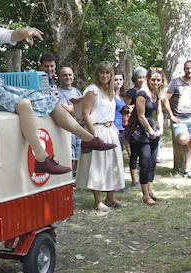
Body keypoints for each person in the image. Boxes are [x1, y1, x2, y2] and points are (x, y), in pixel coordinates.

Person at [0, 0, 114, 174]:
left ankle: (87, 139)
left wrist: (25, 32)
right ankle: (41, 157)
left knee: (49, 100)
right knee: (23, 104)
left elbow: (11, 34)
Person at [76, 62, 126, 211]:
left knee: (112, 165)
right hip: (96, 129)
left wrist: (114, 128)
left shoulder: (110, 91)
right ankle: (97, 201)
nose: (105, 76)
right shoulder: (93, 90)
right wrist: (93, 135)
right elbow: (85, 114)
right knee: (96, 165)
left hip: (110, 130)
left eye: (108, 73)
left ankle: (110, 198)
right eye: (102, 73)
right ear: (97, 74)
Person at [130, 70, 165, 206]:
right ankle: (145, 195)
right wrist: (150, 130)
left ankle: (150, 191)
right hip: (141, 134)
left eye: (158, 80)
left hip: (154, 133)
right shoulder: (141, 94)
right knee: (145, 162)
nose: (156, 83)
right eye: (153, 80)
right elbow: (141, 116)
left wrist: (160, 128)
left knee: (153, 162)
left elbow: (160, 112)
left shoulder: (156, 95)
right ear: (148, 79)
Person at [56, 66, 84, 171]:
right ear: (59, 77)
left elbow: (84, 108)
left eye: (69, 75)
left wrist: (75, 108)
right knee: (69, 157)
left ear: (73, 76)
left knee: (79, 155)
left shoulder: (76, 91)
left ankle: (75, 179)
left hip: (79, 128)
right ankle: (68, 179)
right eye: (64, 75)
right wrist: (76, 108)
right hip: (67, 130)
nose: (67, 77)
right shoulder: (57, 92)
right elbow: (68, 110)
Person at [125, 67, 148, 186]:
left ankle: (144, 178)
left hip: (146, 126)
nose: (142, 79)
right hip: (134, 126)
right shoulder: (131, 92)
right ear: (135, 78)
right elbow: (125, 109)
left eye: (144, 77)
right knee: (134, 154)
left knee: (145, 155)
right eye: (139, 77)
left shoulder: (148, 91)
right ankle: (134, 179)